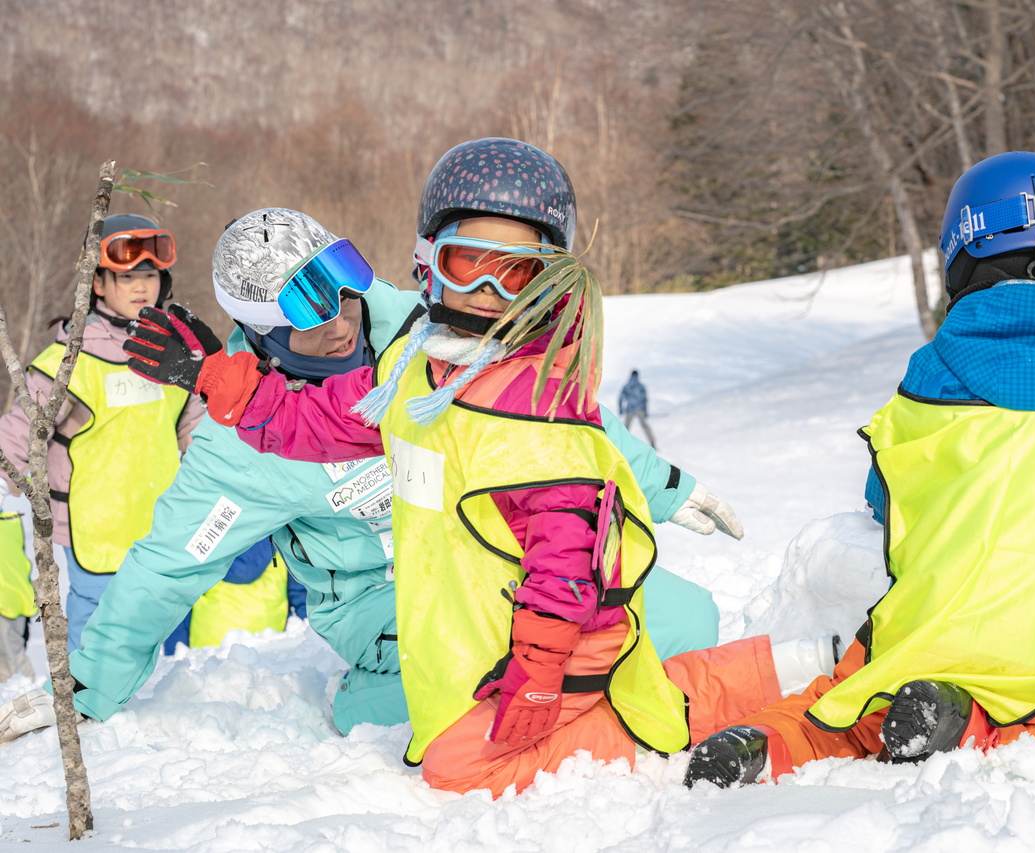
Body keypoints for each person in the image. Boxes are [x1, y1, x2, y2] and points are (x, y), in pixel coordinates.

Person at [123, 139, 818, 796]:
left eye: (517, 271)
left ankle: (660, 735)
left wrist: (541, 671)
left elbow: (566, 560)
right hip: (485, 618)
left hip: (560, 629)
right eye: (467, 263)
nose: (489, 289)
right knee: (485, 720)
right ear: (428, 261)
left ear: (550, 279)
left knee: (458, 766)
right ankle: (786, 664)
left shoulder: (538, 408)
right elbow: (326, 419)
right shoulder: (416, 367)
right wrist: (215, 375)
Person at [0, 205, 738, 743]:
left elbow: (538, 424)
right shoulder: (239, 445)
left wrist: (663, 484)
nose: (343, 315)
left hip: (480, 555)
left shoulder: (421, 329)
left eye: (342, 280)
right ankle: (389, 697)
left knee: (684, 620)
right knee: (449, 707)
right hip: (377, 604)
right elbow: (165, 567)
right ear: (260, 331)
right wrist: (81, 688)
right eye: (309, 307)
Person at [684, 151, 1035, 788]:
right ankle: (962, 724)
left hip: (931, 626)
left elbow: (887, 501)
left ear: (962, 250)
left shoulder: (931, 377)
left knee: (846, 703)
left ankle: (771, 741)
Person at [0, 214, 205, 654]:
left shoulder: (176, 353)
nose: (140, 286)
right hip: (93, 522)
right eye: (127, 276)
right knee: (98, 624)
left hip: (161, 520)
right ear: (97, 284)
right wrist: (13, 494)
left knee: (164, 620)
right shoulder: (72, 358)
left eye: (149, 275)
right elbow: (18, 434)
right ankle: (89, 704)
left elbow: (196, 429)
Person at [0, 508, 34, 681]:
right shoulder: (8, 524)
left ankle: (26, 698)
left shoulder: (7, 525)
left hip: (8, 606)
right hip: (11, 602)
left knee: (13, 669)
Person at [618, 370, 656, 448]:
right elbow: (645, 399)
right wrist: (645, 411)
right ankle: (652, 443)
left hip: (630, 410)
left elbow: (621, 398)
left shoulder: (627, 385)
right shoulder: (640, 386)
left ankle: (622, 443)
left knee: (626, 428)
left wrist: (621, 408)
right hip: (640, 410)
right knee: (644, 426)